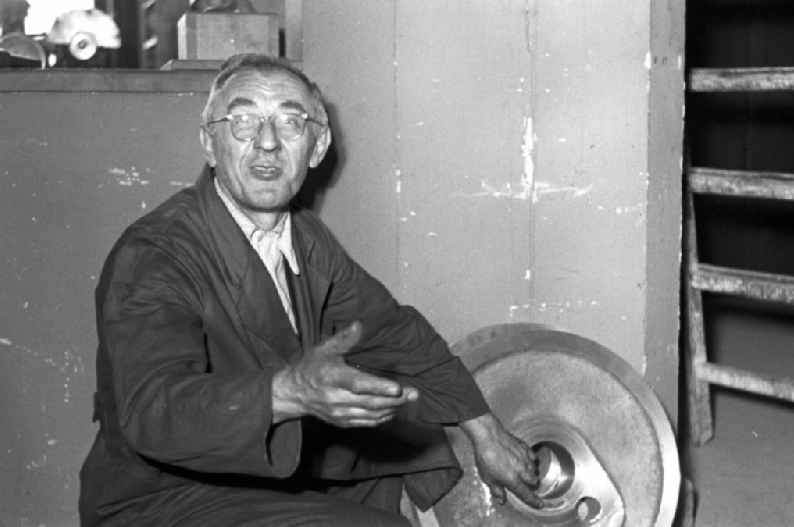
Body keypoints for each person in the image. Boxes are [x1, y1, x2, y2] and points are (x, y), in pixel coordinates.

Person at [79, 53, 541, 526]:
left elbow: (394, 332)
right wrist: (287, 392)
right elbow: (156, 410)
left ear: (317, 147)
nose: (267, 143)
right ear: (210, 144)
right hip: (161, 500)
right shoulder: (157, 252)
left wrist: (485, 430)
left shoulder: (304, 238)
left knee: (413, 440)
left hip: (254, 480)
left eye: (291, 122)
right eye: (242, 121)